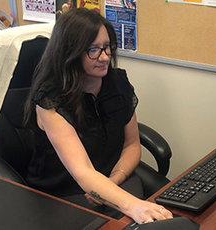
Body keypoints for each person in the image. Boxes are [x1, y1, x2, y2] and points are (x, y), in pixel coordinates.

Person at [23, 8, 173, 224]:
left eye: (107, 47)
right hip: (64, 193)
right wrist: (133, 205)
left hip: (112, 178)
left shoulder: (117, 82)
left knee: (168, 214)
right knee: (133, 219)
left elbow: (131, 145)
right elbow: (83, 172)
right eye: (93, 50)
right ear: (70, 53)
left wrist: (113, 181)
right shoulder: (50, 101)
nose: (104, 57)